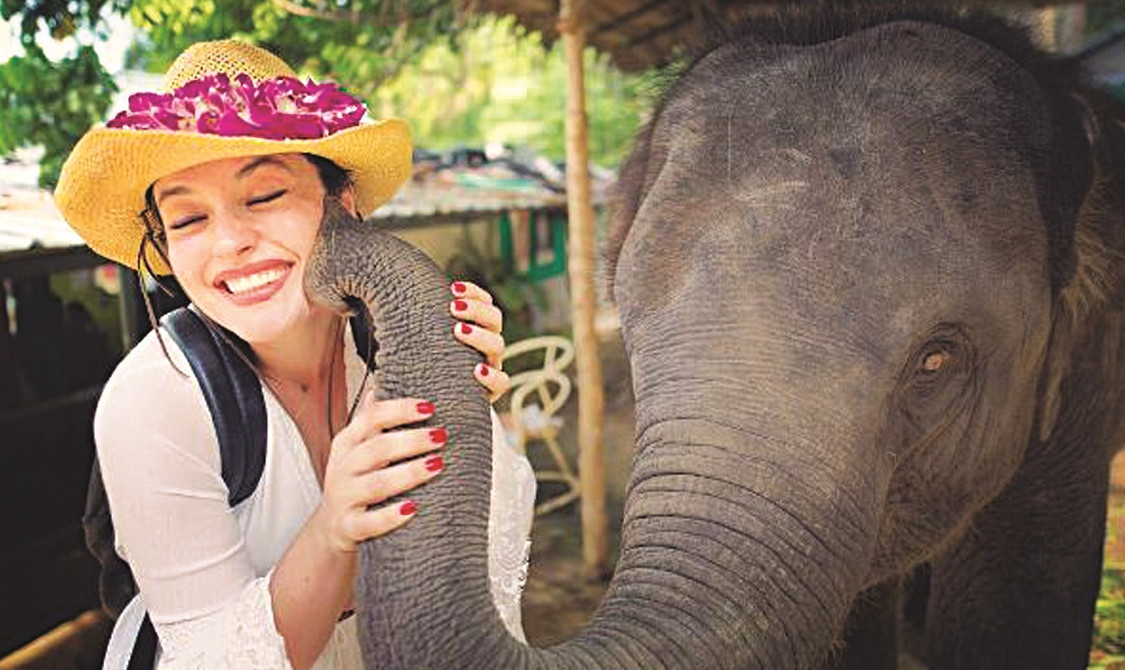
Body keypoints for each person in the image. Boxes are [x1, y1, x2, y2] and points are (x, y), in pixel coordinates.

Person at [54, 40, 536, 670]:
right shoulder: (151, 401)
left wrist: (460, 408)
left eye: (264, 196)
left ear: (342, 203)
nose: (231, 242)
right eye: (189, 220)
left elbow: (481, 569)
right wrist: (336, 528)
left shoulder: (393, 341)